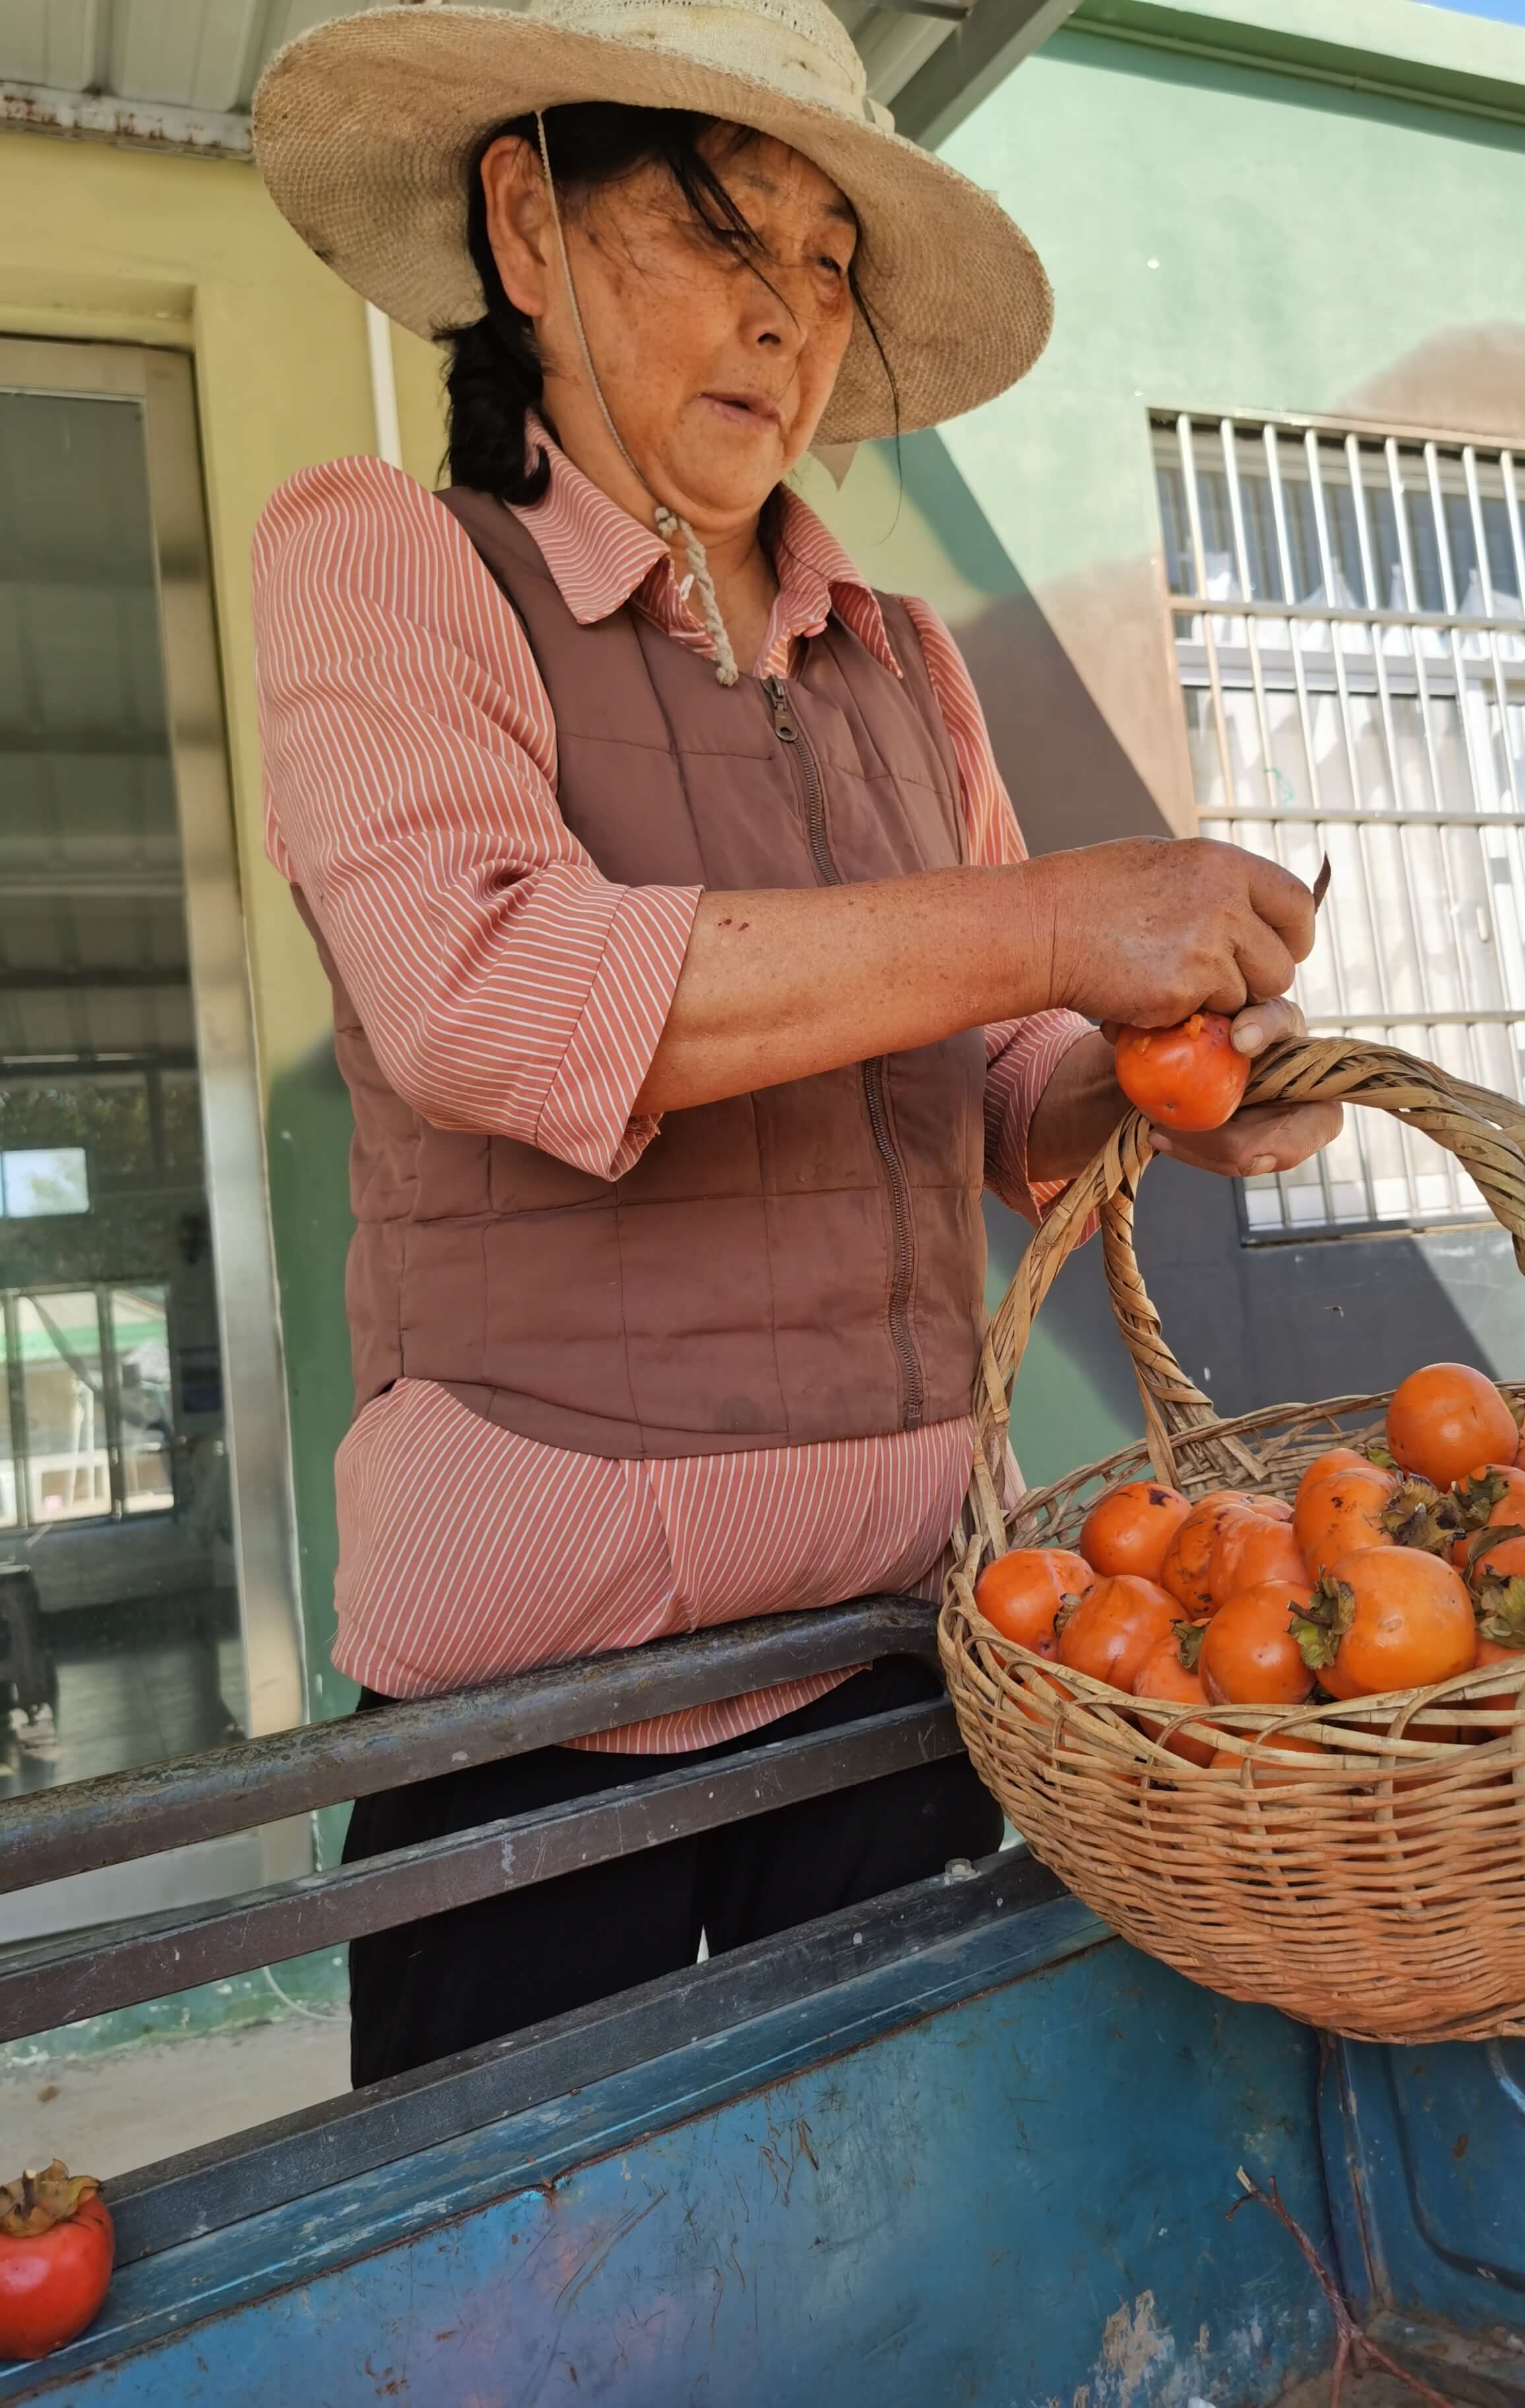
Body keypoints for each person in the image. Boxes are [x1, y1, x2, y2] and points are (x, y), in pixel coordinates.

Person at [249, 0, 1342, 2086]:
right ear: (528, 224)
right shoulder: (393, 564)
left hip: (909, 1647)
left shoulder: (900, 660)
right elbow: (494, 996)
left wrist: (1174, 1068)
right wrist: (1053, 916)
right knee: (548, 2308)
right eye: (724, 237)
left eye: (827, 268)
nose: (787, 320)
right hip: (531, 1724)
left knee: (897, 2253)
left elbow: (1011, 1090)